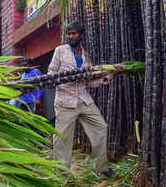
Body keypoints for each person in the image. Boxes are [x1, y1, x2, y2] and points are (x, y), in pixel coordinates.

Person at [48, 21, 122, 178]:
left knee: (101, 127)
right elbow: (51, 73)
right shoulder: (60, 51)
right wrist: (68, 78)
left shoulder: (87, 57)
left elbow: (92, 82)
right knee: (62, 139)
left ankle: (101, 168)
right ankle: (62, 175)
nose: (71, 36)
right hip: (65, 101)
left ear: (81, 35)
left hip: (84, 100)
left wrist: (112, 74)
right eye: (68, 33)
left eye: (74, 33)